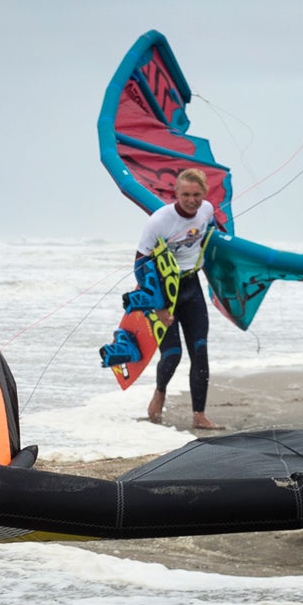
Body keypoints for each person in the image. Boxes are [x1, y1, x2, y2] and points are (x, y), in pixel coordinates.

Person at [136, 167, 221, 432]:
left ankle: (199, 415)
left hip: (191, 286)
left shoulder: (207, 210)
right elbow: (140, 265)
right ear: (176, 193)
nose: (191, 200)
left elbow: (212, 233)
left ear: (204, 193)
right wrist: (159, 306)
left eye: (196, 194)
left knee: (200, 351)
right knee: (172, 355)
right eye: (185, 194)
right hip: (163, 290)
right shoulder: (159, 221)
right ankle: (160, 392)